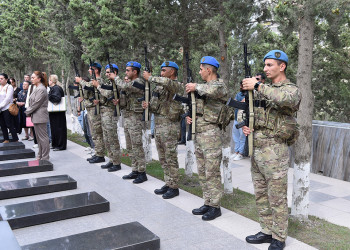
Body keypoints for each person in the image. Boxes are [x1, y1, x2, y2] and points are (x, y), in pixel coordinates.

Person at [242, 50, 301, 250]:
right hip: (257, 146)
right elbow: (254, 113)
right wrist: (247, 125)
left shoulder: (290, 89)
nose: (265, 69)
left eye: (270, 65)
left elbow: (287, 100)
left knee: (276, 196)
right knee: (260, 194)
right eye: (265, 65)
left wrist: (258, 85)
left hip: (275, 150)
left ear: (281, 66)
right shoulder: (264, 89)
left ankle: (279, 236)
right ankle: (266, 230)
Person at [186, 56, 228, 220]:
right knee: (202, 170)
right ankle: (208, 202)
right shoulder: (202, 87)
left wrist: (195, 86)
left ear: (208, 70)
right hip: (199, 132)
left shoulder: (219, 85)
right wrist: (190, 116)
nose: (199, 72)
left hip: (211, 133)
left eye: (201, 69)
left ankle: (215, 206)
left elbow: (215, 91)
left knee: (212, 171)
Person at [143, 61, 184, 199]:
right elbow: (156, 107)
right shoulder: (160, 88)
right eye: (161, 71)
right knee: (163, 157)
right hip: (160, 126)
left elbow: (168, 84)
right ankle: (168, 182)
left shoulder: (176, 85)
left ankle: (174, 187)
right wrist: (148, 105)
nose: (161, 73)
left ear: (172, 72)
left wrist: (150, 77)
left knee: (171, 157)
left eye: (164, 70)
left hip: (170, 126)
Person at [111, 61, 147, 184]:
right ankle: (135, 169)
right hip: (127, 117)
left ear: (135, 71)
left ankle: (142, 172)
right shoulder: (130, 83)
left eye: (128, 70)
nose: (126, 72)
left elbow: (125, 86)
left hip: (135, 118)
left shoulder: (140, 82)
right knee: (130, 146)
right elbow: (125, 99)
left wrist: (115, 77)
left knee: (137, 145)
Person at [92, 63, 122, 172]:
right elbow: (104, 97)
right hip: (104, 113)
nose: (107, 74)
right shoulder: (109, 82)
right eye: (106, 72)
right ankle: (111, 159)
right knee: (107, 138)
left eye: (109, 72)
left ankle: (117, 162)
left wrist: (98, 86)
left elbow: (109, 94)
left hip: (111, 113)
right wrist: (99, 101)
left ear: (115, 73)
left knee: (112, 138)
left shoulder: (117, 83)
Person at [75, 62, 106, 164]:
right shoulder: (93, 80)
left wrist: (81, 81)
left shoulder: (98, 80)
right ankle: (97, 153)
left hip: (95, 109)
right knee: (93, 133)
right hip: (90, 108)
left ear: (96, 70)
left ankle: (100, 154)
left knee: (97, 133)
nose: (88, 70)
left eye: (90, 69)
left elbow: (90, 87)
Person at [25, 71, 50, 161]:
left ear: (39, 79)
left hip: (40, 115)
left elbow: (37, 103)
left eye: (33, 77)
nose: (31, 79)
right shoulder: (36, 87)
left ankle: (45, 157)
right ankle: (40, 155)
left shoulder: (41, 89)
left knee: (43, 137)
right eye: (31, 77)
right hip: (36, 115)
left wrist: (27, 111)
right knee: (39, 138)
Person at [48, 75, 67, 151]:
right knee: (54, 128)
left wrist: (48, 96)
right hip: (55, 112)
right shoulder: (54, 88)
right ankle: (55, 144)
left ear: (52, 81)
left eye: (49, 80)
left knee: (59, 128)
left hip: (58, 112)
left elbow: (57, 99)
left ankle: (60, 145)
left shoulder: (56, 88)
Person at [0, 73, 19, 143]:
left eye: (2, 79)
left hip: (7, 108)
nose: (0, 80)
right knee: (2, 124)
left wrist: (0, 106)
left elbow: (7, 99)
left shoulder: (9, 87)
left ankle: (15, 139)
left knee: (9, 124)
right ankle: (6, 139)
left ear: (6, 79)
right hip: (1, 109)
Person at [231, 86, 246, 161]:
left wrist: (239, 103)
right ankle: (236, 152)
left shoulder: (249, 94)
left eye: (242, 85)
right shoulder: (239, 94)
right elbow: (235, 103)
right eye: (240, 85)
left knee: (242, 137)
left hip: (243, 119)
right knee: (235, 136)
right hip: (236, 117)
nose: (240, 87)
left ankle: (241, 153)